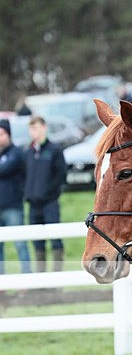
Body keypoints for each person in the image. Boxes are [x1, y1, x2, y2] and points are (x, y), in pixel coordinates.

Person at [24, 116, 67, 271]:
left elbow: (61, 175)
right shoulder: (28, 151)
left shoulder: (54, 150)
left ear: (44, 127)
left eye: (35, 128)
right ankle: (41, 279)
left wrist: (48, 193)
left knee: (55, 238)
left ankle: (56, 278)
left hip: (50, 203)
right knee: (37, 241)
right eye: (30, 128)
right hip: (33, 204)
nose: (32, 132)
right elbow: (25, 175)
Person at [0, 118, 32, 274]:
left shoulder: (16, 153)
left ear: (9, 135)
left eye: (1, 134)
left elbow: (4, 169)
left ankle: (26, 278)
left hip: (13, 207)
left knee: (20, 243)